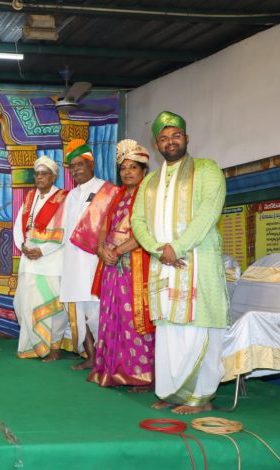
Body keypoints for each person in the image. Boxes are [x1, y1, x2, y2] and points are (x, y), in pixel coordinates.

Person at [130, 111, 228, 414]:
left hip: (198, 261)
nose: (170, 142)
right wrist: (158, 249)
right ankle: (171, 392)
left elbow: (209, 212)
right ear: (157, 144)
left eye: (175, 136)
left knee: (199, 327)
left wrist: (178, 247)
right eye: (163, 138)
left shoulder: (207, 169)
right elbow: (137, 221)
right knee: (169, 331)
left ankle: (200, 397)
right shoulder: (149, 181)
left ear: (186, 138)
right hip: (163, 263)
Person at [88, 139, 155, 390]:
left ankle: (141, 374)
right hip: (112, 265)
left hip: (134, 265)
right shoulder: (117, 196)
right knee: (111, 317)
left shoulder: (148, 196)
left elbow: (146, 233)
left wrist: (116, 251)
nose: (127, 172)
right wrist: (101, 249)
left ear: (143, 171)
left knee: (134, 319)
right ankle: (113, 370)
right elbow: (104, 229)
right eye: (123, 168)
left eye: (133, 167)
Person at [60, 139, 119, 370]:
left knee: (96, 312)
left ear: (91, 164)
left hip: (95, 262)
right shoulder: (71, 195)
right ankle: (91, 357)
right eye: (72, 166)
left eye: (80, 164)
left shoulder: (108, 191)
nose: (76, 170)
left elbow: (114, 227)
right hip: (72, 262)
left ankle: (107, 359)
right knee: (79, 312)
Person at [13, 156, 69, 362]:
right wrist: (23, 246)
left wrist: (42, 251)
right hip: (29, 260)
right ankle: (32, 345)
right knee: (23, 303)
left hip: (51, 262)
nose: (39, 178)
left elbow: (66, 230)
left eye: (44, 174)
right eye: (37, 174)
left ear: (53, 177)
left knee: (52, 306)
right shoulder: (30, 197)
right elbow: (18, 226)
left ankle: (54, 347)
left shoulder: (63, 198)